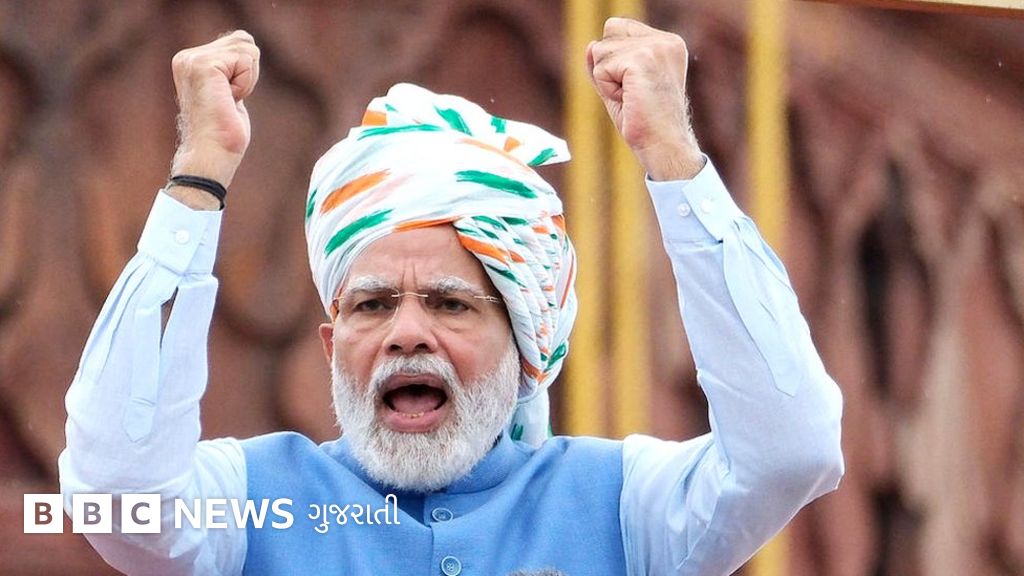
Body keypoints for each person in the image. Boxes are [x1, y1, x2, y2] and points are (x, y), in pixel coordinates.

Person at [59, 17, 843, 576]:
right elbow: (112, 496)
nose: (406, 333)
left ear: (526, 342)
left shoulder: (622, 508)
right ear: (333, 346)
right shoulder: (256, 503)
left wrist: (672, 154)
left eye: (450, 303)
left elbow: (790, 452)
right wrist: (200, 171)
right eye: (372, 306)